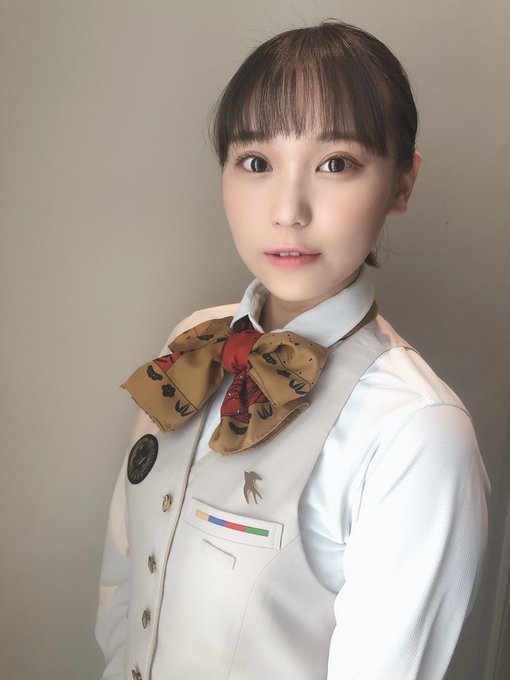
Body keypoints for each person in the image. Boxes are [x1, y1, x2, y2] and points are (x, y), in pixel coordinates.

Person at [95, 21, 489, 680]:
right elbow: (124, 581)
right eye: (256, 162)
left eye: (336, 163)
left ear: (402, 183)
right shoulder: (193, 342)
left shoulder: (417, 434)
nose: (288, 210)